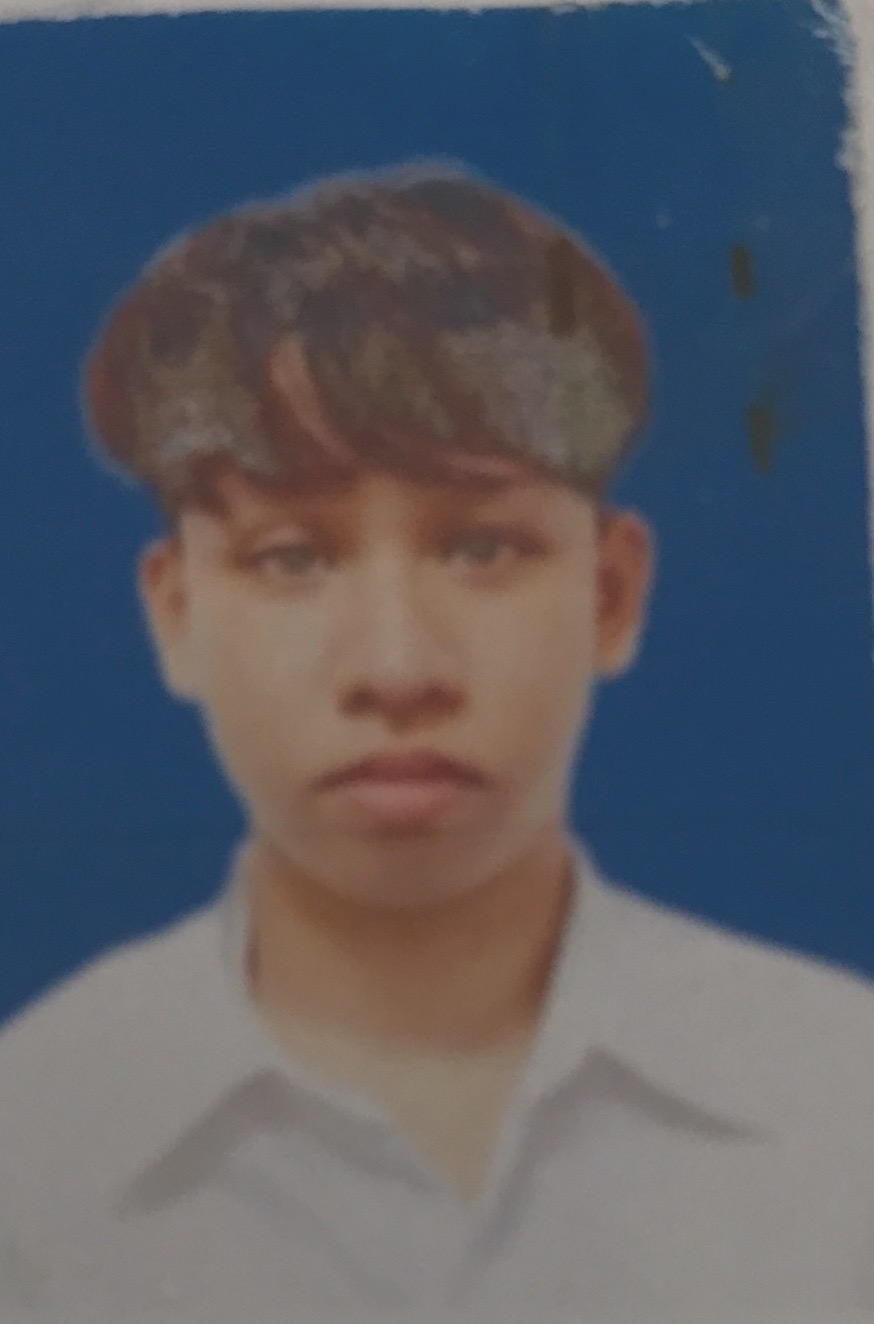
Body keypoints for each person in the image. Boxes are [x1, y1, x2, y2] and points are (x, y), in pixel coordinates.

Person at [0, 163, 873, 1324]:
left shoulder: (840, 1104)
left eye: (482, 548)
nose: (398, 666)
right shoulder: (32, 1146)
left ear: (610, 594)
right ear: (176, 614)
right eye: (291, 558)